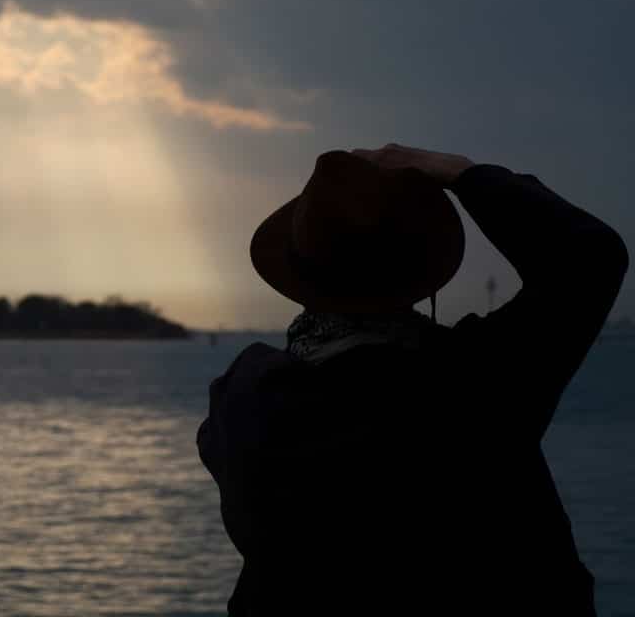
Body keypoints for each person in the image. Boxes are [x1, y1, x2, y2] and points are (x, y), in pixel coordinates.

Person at [197, 143, 628, 616]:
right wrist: (460, 173)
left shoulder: (241, 400)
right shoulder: (473, 385)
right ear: (425, 272)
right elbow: (589, 257)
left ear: (300, 269)